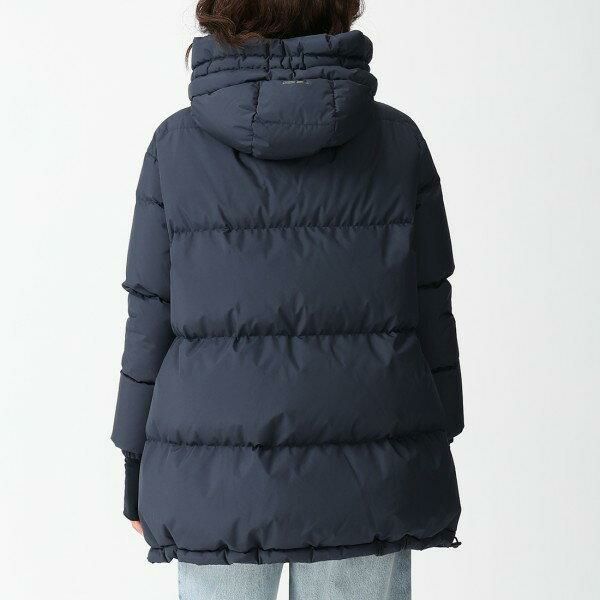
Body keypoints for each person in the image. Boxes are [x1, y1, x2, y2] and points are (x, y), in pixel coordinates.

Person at [111, 0, 463, 598]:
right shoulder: (398, 142)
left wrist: (134, 463)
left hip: (213, 482)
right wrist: (434, 442)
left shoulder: (174, 146)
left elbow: (149, 316)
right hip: (371, 477)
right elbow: (431, 307)